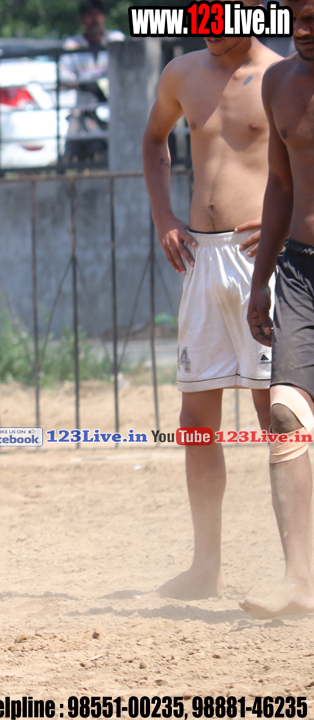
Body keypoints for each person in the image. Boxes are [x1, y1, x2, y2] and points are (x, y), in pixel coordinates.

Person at [141, 11, 280, 600]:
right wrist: (164, 216)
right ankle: (206, 568)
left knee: (278, 418)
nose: (207, 21)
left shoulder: (283, 75)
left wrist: (286, 224)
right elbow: (154, 139)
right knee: (196, 424)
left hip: (263, 263)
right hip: (201, 260)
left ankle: (299, 569)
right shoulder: (181, 72)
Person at [242, 0, 314, 619]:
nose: (303, 31)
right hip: (299, 272)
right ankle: (299, 582)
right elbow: (281, 184)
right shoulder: (278, 82)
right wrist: (260, 281)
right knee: (286, 416)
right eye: (295, 18)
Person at [60, 0, 125, 165]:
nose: (94, 19)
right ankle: (69, 163)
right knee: (74, 128)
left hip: (112, 101)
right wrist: (79, 83)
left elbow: (126, 68)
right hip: (84, 100)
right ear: (81, 19)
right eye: (90, 15)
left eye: (98, 14)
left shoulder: (115, 40)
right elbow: (64, 73)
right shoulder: (73, 45)